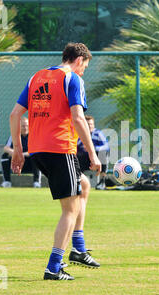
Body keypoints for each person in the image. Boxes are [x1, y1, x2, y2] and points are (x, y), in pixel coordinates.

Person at [9, 42, 102, 281]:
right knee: (69, 210)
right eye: (85, 67)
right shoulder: (72, 79)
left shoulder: (36, 77)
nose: (84, 72)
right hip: (60, 149)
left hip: (38, 150)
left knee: (83, 186)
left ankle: (79, 249)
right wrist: (92, 153)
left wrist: (19, 150)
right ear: (79, 60)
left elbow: (15, 114)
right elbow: (78, 117)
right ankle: (54, 266)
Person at [0, 117, 41, 188]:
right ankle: (7, 182)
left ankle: (36, 182)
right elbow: (5, 148)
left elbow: (36, 150)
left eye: (27, 126)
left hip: (29, 164)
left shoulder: (33, 136)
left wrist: (22, 154)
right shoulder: (14, 135)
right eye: (23, 126)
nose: (25, 128)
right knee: (5, 156)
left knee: (36, 156)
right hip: (17, 165)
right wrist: (13, 152)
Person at [77, 115, 109, 190]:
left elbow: (106, 147)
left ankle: (102, 182)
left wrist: (93, 149)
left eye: (91, 124)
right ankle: (77, 182)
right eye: (88, 124)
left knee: (103, 153)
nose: (90, 126)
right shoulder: (78, 133)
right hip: (82, 158)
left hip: (96, 159)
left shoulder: (98, 134)